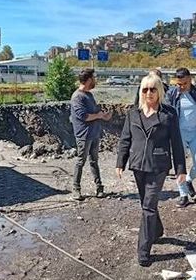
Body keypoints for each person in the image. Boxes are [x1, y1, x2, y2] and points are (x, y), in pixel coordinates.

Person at [116, 74, 186, 267]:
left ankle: (143, 251)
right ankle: (156, 230)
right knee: (147, 204)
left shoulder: (168, 114)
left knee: (148, 206)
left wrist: (181, 169)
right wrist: (120, 162)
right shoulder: (133, 114)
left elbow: (177, 143)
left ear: (159, 91)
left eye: (153, 89)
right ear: (141, 92)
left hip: (158, 166)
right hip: (138, 165)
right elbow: (125, 139)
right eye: (145, 89)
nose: (149, 93)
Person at [166, 67, 196, 208]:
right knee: (180, 165)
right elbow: (167, 116)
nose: (181, 87)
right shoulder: (172, 94)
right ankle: (183, 195)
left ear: (190, 80)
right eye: (178, 84)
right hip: (179, 134)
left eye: (184, 84)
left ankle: (188, 180)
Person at [70, 68, 112, 201]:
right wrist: (98, 115)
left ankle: (99, 188)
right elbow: (84, 116)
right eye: (93, 78)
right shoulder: (77, 96)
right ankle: (76, 189)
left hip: (94, 133)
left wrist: (104, 115)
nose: (95, 81)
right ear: (88, 80)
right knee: (81, 161)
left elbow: (95, 113)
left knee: (94, 161)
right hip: (84, 135)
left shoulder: (89, 95)